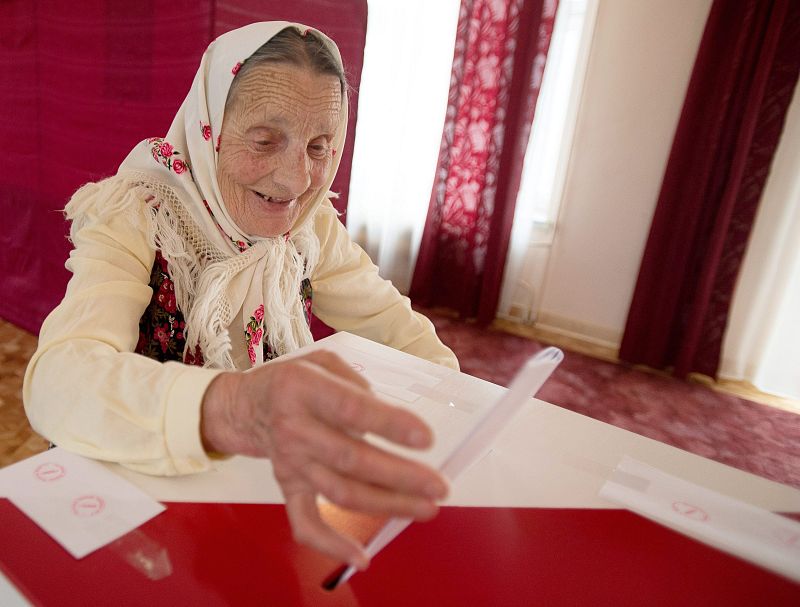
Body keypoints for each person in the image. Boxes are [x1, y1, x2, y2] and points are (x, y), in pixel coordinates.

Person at [23, 21, 459, 571]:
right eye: (265, 141)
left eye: (319, 147)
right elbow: (58, 382)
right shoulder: (137, 214)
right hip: (127, 501)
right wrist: (230, 407)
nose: (297, 180)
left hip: (243, 491)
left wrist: (457, 402)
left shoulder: (310, 225)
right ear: (210, 128)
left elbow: (394, 326)